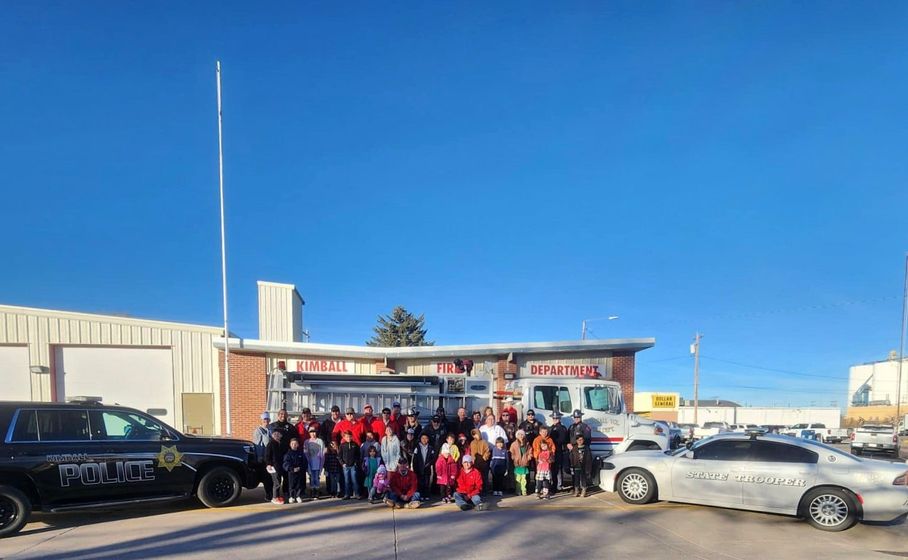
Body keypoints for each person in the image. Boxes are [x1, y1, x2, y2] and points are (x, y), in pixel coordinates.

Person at [252, 412, 273, 501]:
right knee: (266, 477)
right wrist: (260, 457)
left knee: (273, 477)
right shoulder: (258, 431)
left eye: (267, 419)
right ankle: (268, 494)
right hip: (264, 459)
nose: (266, 421)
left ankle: (273, 493)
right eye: (264, 420)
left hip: (272, 458)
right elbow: (257, 445)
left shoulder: (271, 429)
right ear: (261, 420)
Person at [548, 411, 569, 492]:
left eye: (556, 418)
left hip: (559, 450)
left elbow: (563, 439)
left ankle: (558, 486)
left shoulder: (562, 428)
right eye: (554, 418)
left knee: (558, 469)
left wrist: (554, 441)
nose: (555, 419)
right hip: (552, 451)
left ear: (559, 418)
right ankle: (554, 485)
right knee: (553, 469)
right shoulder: (550, 428)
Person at [264, 430, 287, 504]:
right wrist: (268, 464)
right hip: (273, 466)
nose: (277, 435)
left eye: (278, 434)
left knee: (279, 481)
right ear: (273, 435)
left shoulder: (282, 443)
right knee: (276, 482)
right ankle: (274, 498)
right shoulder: (270, 444)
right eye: (275, 434)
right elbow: (267, 455)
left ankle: (277, 496)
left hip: (280, 466)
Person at [412, 433, 437, 499]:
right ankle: (421, 495)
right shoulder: (417, 447)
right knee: (420, 483)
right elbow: (414, 459)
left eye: (426, 438)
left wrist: (430, 463)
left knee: (427, 482)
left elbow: (433, 458)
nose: (424, 440)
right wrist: (415, 469)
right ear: (420, 439)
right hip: (419, 468)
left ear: (428, 439)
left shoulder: (430, 448)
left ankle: (426, 495)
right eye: (423, 438)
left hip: (427, 468)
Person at [283, 437, 307, 503]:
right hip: (292, 472)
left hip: (300, 472)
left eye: (295, 444)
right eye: (292, 444)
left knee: (299, 484)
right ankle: (292, 496)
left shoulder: (301, 453)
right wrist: (292, 469)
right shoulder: (288, 454)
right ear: (290, 445)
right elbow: (286, 463)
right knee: (292, 485)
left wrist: (300, 468)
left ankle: (298, 496)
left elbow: (304, 462)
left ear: (298, 445)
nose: (294, 445)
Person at [303, 427, 325, 499]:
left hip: (318, 462)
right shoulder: (307, 442)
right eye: (311, 432)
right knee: (311, 477)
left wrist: (322, 464)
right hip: (310, 463)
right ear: (309, 433)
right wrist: (307, 463)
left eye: (314, 432)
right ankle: (312, 490)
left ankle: (317, 490)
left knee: (317, 477)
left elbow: (322, 453)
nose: (313, 434)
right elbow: (305, 453)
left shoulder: (320, 441)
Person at [509, 429, 532, 496]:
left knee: (524, 479)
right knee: (518, 479)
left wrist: (529, 457)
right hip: (517, 464)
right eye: (519, 434)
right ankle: (518, 491)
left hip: (524, 464)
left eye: (522, 434)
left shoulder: (527, 444)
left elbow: (530, 451)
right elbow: (511, 452)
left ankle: (524, 491)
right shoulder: (514, 444)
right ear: (516, 436)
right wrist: (514, 458)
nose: (521, 436)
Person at [339, 430, 361, 499]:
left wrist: (355, 462)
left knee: (354, 480)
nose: (348, 438)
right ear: (344, 438)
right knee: (346, 481)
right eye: (347, 437)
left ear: (352, 437)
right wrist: (342, 463)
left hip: (353, 466)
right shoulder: (342, 445)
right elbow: (339, 456)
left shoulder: (355, 445)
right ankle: (347, 494)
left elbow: (358, 455)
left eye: (350, 437)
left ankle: (357, 494)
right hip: (346, 466)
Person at [468, 428, 491, 493]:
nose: (475, 436)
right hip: (475, 462)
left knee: (484, 476)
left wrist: (484, 458)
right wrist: (472, 460)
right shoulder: (472, 443)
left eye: (476, 434)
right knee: (476, 476)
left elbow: (487, 451)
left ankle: (484, 490)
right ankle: (477, 490)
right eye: (473, 435)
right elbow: (471, 452)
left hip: (483, 462)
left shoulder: (484, 442)